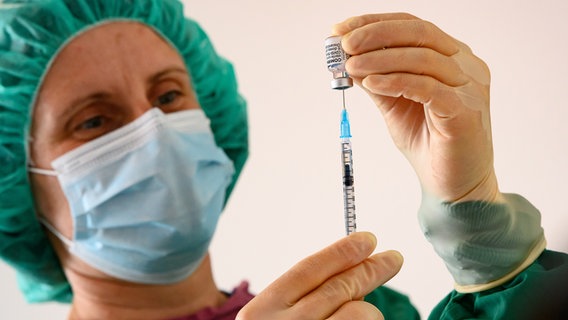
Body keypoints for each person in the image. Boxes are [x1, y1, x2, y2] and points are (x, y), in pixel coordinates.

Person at [0, 1, 565, 319]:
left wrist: (479, 228)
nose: (156, 135)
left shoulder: (348, 313)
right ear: (16, 186)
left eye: (170, 96)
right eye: (93, 121)